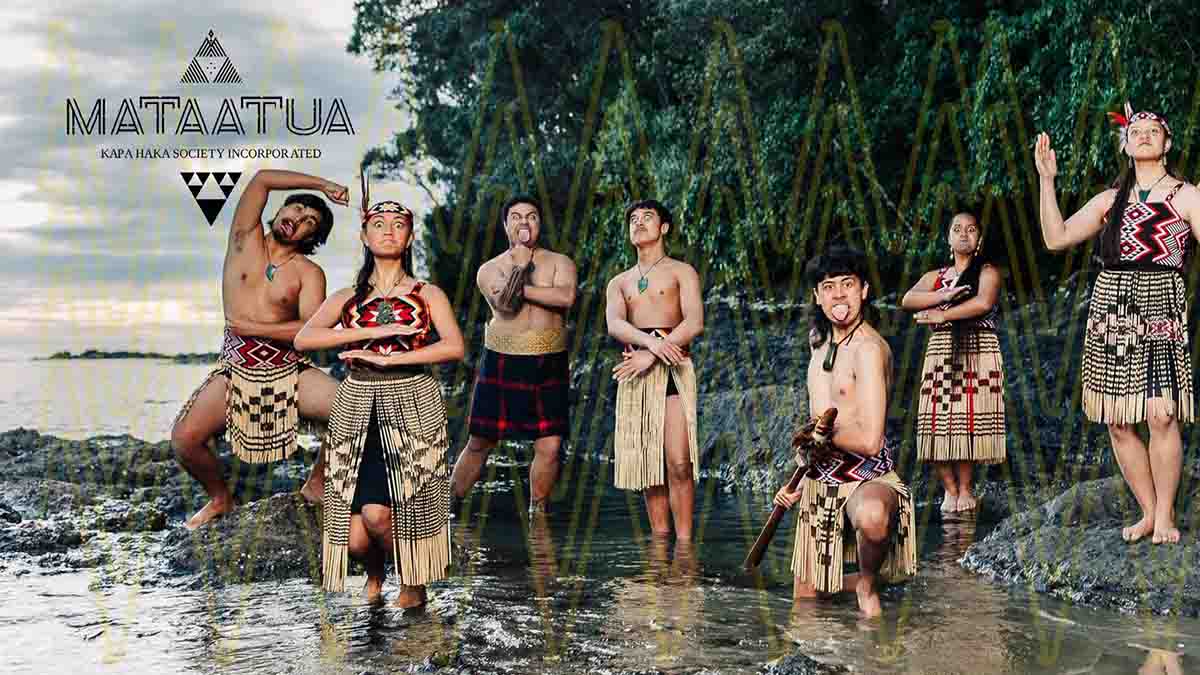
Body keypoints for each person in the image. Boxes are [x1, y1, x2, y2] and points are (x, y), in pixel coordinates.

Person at [295, 177, 464, 606]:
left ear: (409, 236)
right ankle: (375, 575)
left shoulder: (427, 293)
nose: (389, 230)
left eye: (398, 224)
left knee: (387, 511)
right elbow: (304, 339)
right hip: (358, 405)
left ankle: (414, 581)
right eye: (379, 223)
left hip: (412, 402)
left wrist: (394, 359)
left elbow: (454, 346)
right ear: (365, 236)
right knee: (354, 539)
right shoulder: (349, 296)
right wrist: (371, 331)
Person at [1036, 103, 1199, 544]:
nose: (1144, 134)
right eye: (1136, 130)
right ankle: (1148, 511)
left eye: (1153, 129)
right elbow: (1056, 237)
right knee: (1118, 419)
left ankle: (1165, 515)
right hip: (1113, 307)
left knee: (1161, 413)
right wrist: (1047, 181)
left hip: (1163, 302)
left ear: (1167, 143)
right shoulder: (1111, 199)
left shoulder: (1187, 196)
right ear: (1126, 145)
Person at [171, 169, 348, 530]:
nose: (297, 220)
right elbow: (262, 179)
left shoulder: (308, 272)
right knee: (184, 440)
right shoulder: (243, 239)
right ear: (280, 207)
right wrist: (323, 185)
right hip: (237, 367)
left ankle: (316, 487)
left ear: (312, 237)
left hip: (289, 369)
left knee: (355, 409)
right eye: (296, 208)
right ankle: (220, 499)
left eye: (309, 222)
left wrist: (255, 328)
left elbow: (308, 330)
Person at [773, 245, 917, 618]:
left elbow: (869, 440)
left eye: (848, 284)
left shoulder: (869, 349)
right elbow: (818, 420)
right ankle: (866, 584)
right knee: (806, 607)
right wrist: (801, 479)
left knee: (871, 516)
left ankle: (868, 581)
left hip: (866, 475)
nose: (839, 295)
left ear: (864, 291)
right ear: (817, 297)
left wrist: (816, 439)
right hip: (820, 478)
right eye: (829, 286)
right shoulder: (818, 343)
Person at [450, 195, 578, 514]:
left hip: (550, 360)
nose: (524, 222)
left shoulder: (561, 262)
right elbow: (506, 307)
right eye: (517, 217)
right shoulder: (488, 269)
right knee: (480, 441)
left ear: (539, 224)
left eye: (532, 216)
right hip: (502, 359)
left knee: (551, 444)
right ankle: (447, 507)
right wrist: (520, 267)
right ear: (506, 225)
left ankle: (538, 512)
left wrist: (520, 287)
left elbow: (565, 298)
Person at [606, 200, 703, 541]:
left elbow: (694, 321)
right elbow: (615, 323)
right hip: (638, 368)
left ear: (664, 227)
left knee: (678, 462)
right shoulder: (619, 282)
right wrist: (650, 347)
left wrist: (656, 352)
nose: (639, 223)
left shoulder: (681, 271)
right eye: (633, 219)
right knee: (650, 465)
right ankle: (661, 546)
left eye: (647, 217)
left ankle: (685, 546)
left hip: (674, 366)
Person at [901, 212, 1006, 513]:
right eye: (957, 229)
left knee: (967, 421)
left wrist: (943, 314)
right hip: (941, 350)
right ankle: (949, 490)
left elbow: (983, 302)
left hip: (978, 348)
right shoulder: (936, 277)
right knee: (937, 422)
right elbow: (908, 299)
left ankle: (965, 489)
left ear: (980, 239)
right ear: (948, 237)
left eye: (971, 229)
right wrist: (943, 295)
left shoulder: (987, 271)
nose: (963, 234)